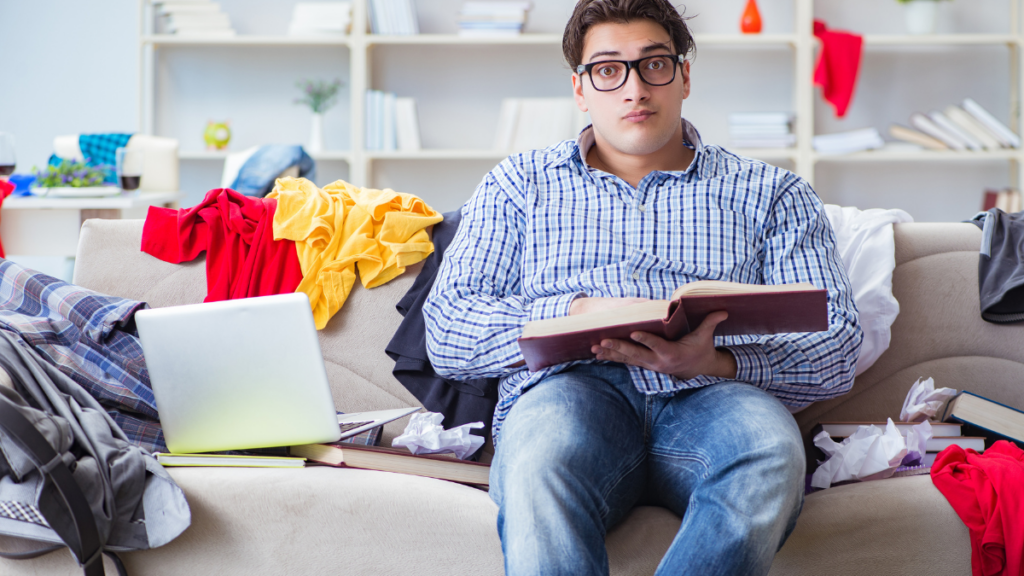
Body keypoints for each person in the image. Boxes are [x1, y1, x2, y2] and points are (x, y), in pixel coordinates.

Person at [423, 0, 863, 574]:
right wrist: (576, 312)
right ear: (581, 89)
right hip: (569, 392)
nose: (634, 89)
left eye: (653, 65)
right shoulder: (517, 185)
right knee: (538, 456)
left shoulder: (774, 194)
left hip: (715, 397)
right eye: (608, 70)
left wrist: (721, 360)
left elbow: (837, 345)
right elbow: (449, 330)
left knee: (771, 451)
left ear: (683, 76)